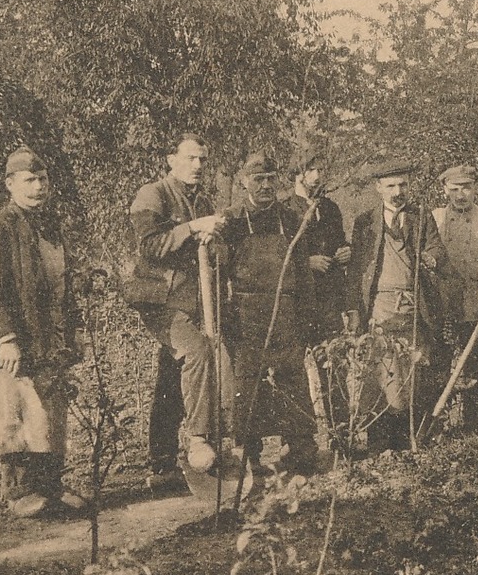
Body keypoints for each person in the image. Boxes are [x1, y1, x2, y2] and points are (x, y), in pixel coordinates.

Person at [0, 151, 86, 517]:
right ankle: (20, 493)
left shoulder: (50, 227)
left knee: (50, 412)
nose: (39, 188)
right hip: (16, 339)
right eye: (29, 181)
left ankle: (51, 487)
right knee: (16, 412)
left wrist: (74, 332)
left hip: (48, 336)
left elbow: (63, 285)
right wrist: (6, 338)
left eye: (43, 181)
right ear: (10, 185)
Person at [125, 133, 230, 475]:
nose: (198, 165)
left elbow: (213, 252)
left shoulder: (202, 200)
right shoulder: (152, 194)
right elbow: (150, 246)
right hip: (159, 299)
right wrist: (192, 228)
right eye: (190, 158)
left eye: (203, 159)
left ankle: (161, 462)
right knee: (198, 351)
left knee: (174, 374)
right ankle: (199, 439)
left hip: (193, 300)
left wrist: (214, 239)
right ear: (171, 159)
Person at [219, 152, 318, 472]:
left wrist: (307, 315)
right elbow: (219, 275)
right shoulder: (230, 220)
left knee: (292, 377)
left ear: (279, 181)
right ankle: (249, 454)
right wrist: (225, 317)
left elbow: (303, 271)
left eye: (270, 179)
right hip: (246, 312)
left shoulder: (290, 219)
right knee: (249, 381)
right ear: (243, 181)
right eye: (257, 179)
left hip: (287, 308)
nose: (264, 186)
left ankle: (300, 447)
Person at [348, 160, 445, 452]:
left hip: (413, 305)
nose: (397, 191)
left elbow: (437, 248)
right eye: (390, 186)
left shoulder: (420, 217)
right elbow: (357, 270)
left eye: (402, 184)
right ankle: (381, 445)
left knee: (412, 370)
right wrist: (355, 310)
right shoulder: (365, 222)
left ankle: (410, 442)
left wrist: (432, 258)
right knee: (381, 372)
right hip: (379, 305)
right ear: (378, 188)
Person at [433, 163, 478, 425]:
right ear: (445, 190)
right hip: (441, 304)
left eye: (467, 188)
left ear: (475, 189)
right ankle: (438, 422)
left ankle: (472, 424)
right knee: (440, 364)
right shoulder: (435, 219)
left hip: (476, 304)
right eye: (454, 189)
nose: (461, 194)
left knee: (473, 361)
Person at [288, 142, 351, 345]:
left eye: (321, 170)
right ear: (297, 173)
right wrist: (305, 263)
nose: (317, 176)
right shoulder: (285, 209)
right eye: (310, 170)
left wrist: (346, 252)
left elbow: (340, 242)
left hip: (329, 300)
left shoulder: (330, 208)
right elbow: (276, 257)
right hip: (298, 300)